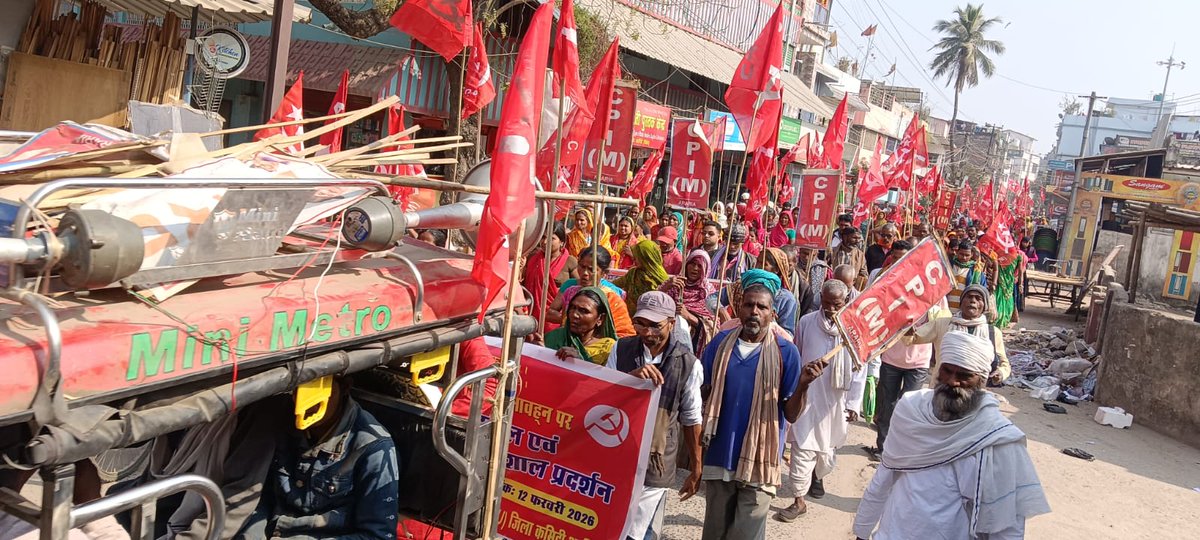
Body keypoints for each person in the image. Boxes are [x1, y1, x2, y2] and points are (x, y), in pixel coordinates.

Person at [853, 332, 1050, 539]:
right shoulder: (911, 410)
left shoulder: (996, 436)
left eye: (964, 376)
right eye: (947, 371)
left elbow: (1008, 521)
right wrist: (862, 532)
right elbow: (885, 474)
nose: (952, 381)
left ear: (981, 381)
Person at [700, 271, 819, 540]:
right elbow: (703, 392)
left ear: (772, 313)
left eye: (762, 307)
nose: (754, 311)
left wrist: (803, 385)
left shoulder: (785, 352)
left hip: (761, 459)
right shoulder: (720, 344)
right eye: (749, 305)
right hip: (720, 453)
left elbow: (791, 413)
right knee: (714, 531)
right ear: (739, 308)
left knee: (747, 533)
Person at [245, 377, 400, 538]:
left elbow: (377, 535)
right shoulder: (278, 419)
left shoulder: (373, 447)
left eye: (316, 390)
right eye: (298, 388)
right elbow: (254, 494)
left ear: (345, 386)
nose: (302, 401)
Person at [606, 292, 703, 540]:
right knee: (611, 521)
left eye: (655, 326)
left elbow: (691, 419)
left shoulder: (689, 364)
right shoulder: (622, 349)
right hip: (617, 449)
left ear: (671, 323)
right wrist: (630, 379)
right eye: (641, 324)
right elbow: (603, 394)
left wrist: (696, 467)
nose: (647, 333)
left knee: (636, 529)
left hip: (656, 459)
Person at [776, 280, 858, 522]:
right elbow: (797, 354)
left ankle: (818, 475)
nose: (832, 308)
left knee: (828, 452)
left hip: (836, 401)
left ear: (845, 302)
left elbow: (860, 368)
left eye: (837, 304)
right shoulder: (807, 322)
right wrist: (794, 388)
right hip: (808, 395)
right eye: (827, 302)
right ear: (820, 298)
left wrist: (853, 403)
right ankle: (798, 500)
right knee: (802, 446)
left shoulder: (853, 328)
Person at [910, 284, 1011, 386]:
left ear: (985, 306)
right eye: (969, 297)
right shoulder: (942, 324)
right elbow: (913, 337)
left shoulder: (992, 333)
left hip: (973, 393)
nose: (973, 301)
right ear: (961, 302)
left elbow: (1004, 364)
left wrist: (1001, 373)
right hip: (940, 388)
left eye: (978, 298)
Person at [549, 247, 635, 337]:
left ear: (603, 273)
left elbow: (623, 333)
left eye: (591, 269)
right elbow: (563, 323)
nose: (585, 273)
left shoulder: (611, 298)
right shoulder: (570, 291)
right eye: (582, 267)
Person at [660, 250, 718, 355]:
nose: (695, 268)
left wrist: (688, 316)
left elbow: (714, 326)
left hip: (696, 348)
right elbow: (655, 305)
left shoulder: (708, 292)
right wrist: (665, 287)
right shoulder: (676, 285)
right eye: (692, 263)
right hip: (670, 343)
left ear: (706, 269)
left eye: (699, 266)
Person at [523, 224, 576, 333]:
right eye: (543, 237)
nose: (545, 242)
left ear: (562, 242)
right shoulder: (533, 258)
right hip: (531, 315)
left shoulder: (570, 261)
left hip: (556, 319)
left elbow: (579, 288)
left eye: (551, 238)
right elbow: (523, 284)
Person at [547, 287, 619, 365]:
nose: (574, 314)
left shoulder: (608, 348)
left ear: (600, 319)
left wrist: (581, 361)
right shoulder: (554, 337)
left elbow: (607, 375)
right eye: (572, 308)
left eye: (584, 311)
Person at [616, 239, 671, 317]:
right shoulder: (633, 273)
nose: (634, 259)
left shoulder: (664, 280)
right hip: (629, 318)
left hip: (651, 320)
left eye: (637, 257)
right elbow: (616, 284)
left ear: (646, 258)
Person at [948, 239, 988, 311]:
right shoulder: (949, 265)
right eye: (961, 254)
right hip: (947, 309)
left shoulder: (976, 271)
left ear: (972, 254)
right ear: (957, 252)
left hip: (965, 312)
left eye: (967, 255)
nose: (964, 257)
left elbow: (982, 291)